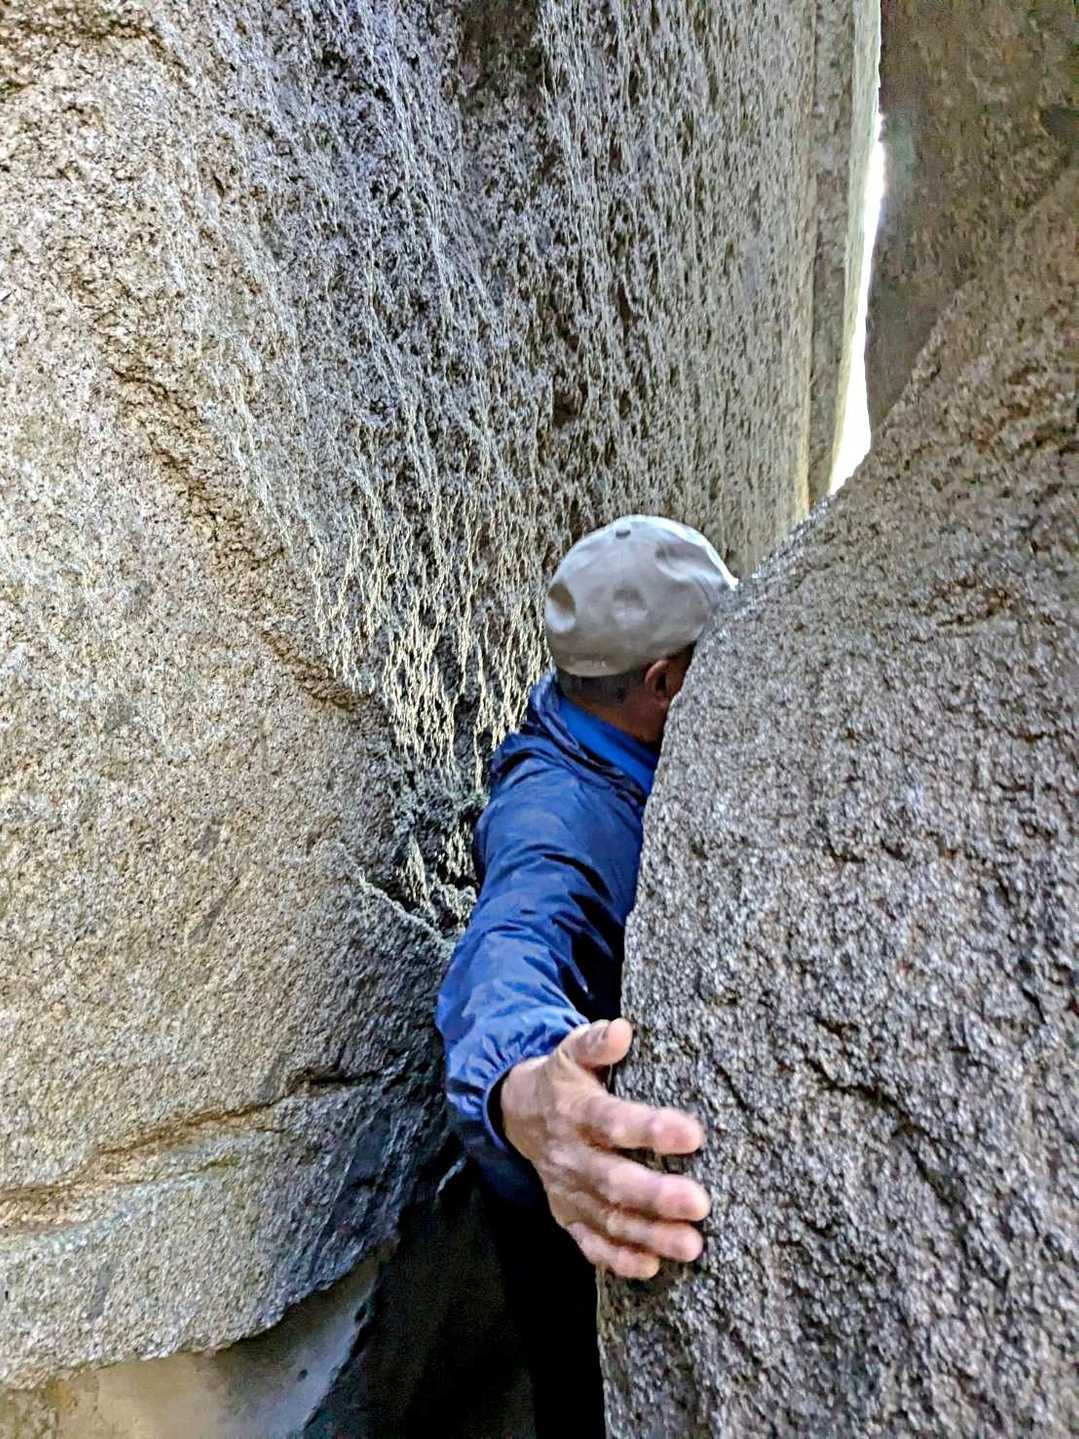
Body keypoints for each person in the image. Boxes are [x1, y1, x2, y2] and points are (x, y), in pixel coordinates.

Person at [436, 515, 736, 1436]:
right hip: (568, 1204)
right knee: (578, 1394)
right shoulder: (557, 816)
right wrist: (524, 1091)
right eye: (717, 658)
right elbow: (510, 947)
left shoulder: (602, 732)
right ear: (662, 682)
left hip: (586, 1189)